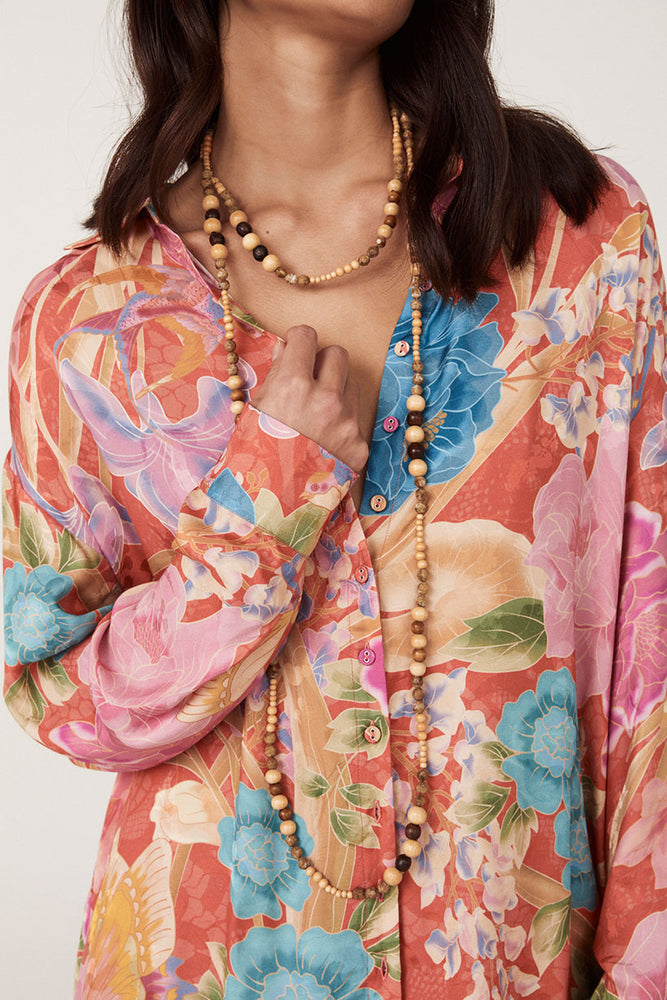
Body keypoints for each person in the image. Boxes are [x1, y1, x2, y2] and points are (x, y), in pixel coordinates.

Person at [3, 0, 666, 996]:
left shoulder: (572, 245)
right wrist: (264, 505)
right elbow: (56, 690)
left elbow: (649, 671)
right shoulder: (89, 322)